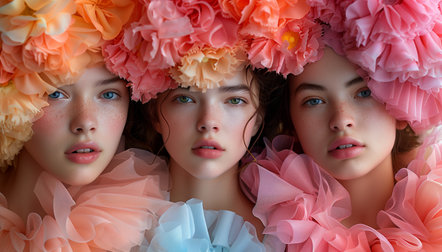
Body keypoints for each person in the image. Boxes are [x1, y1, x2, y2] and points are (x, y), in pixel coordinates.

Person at [102, 0, 304, 250]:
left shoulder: (295, 232)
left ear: (259, 116)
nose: (208, 122)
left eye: (234, 100)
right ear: (154, 112)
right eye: (185, 98)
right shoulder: (106, 225)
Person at [240, 0, 442, 251]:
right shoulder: (261, 229)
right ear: (290, 120)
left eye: (364, 93)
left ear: (400, 106)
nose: (341, 120)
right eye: (314, 101)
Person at [0, 1, 169, 250]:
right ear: (9, 101)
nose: (85, 122)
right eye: (56, 95)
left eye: (108, 95)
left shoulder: (154, 228)